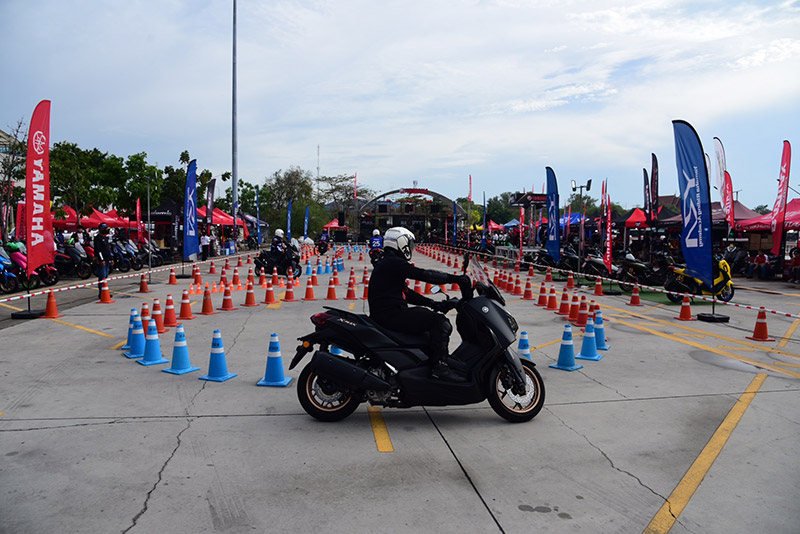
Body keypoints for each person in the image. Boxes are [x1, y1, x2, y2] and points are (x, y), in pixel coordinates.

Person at [368, 227, 471, 382]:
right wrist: (455, 279)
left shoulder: (387, 261)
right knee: (440, 322)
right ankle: (440, 367)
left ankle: (429, 364)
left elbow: (406, 292)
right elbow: (423, 275)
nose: (411, 248)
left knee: (429, 333)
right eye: (409, 244)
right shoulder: (394, 262)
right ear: (400, 243)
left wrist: (433, 303)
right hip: (391, 315)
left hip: (387, 313)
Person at [93, 223, 113, 298]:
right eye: (104, 229)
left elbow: (108, 249)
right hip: (102, 260)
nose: (106, 230)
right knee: (102, 277)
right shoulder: (97, 238)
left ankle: (105, 292)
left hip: (107, 260)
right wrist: (101, 260)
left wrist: (111, 259)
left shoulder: (106, 238)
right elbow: (98, 250)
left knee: (106, 276)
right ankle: (101, 293)